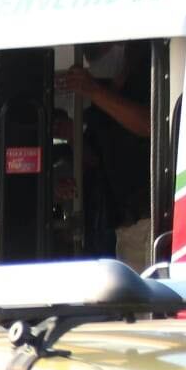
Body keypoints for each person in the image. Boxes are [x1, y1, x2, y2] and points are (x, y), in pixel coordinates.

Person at [60, 43, 152, 268]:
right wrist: (72, 135)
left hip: (148, 219)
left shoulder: (152, 69)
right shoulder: (111, 85)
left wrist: (93, 90)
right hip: (122, 223)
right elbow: (95, 158)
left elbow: (152, 124)